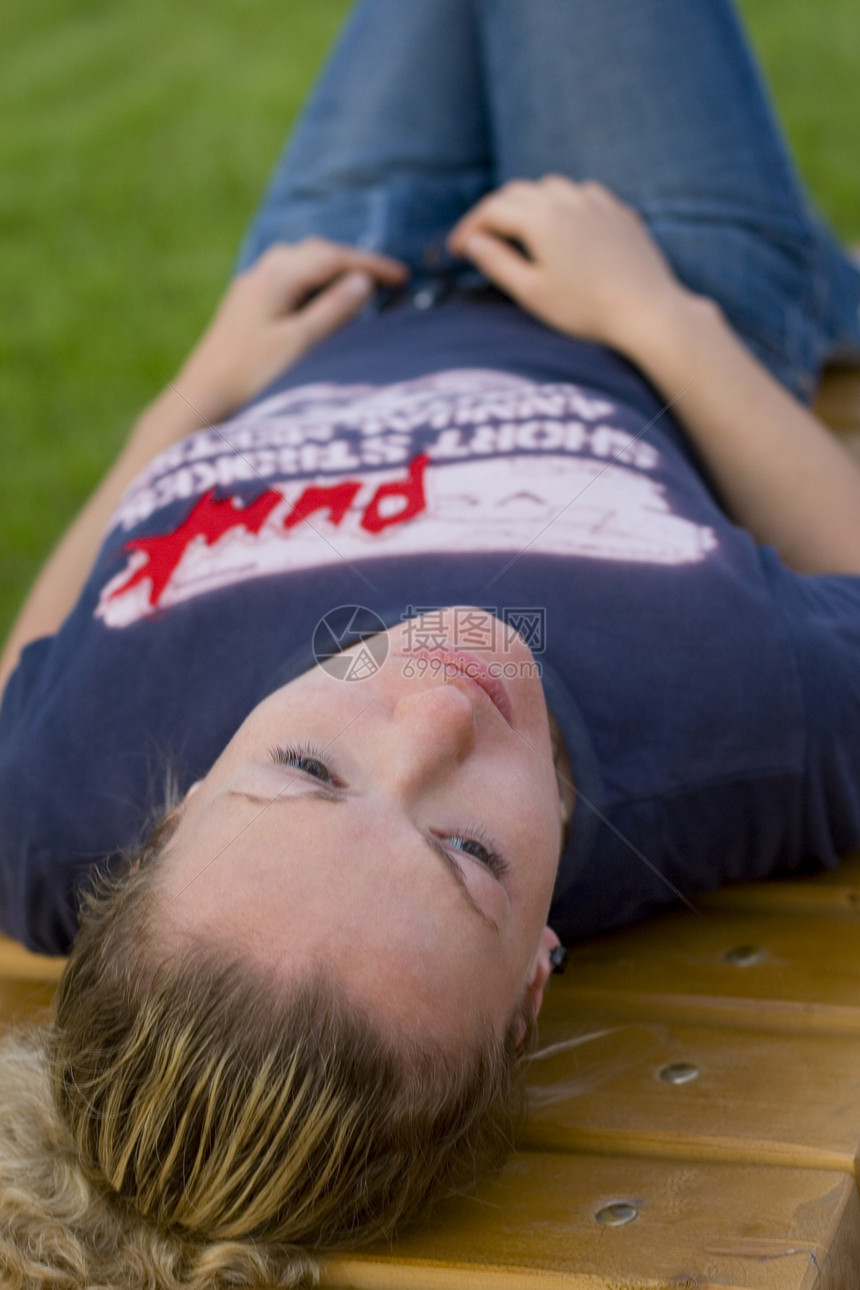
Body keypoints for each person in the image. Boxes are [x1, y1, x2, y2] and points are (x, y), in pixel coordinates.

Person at [2, 0, 860, 1284]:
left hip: (335, 284)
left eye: (308, 771)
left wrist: (201, 382)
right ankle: (803, 279)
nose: (434, 714)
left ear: (164, 827)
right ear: (530, 986)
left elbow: (34, 659)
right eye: (465, 854)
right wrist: (658, 317)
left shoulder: (52, 811)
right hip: (647, 277)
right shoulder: (743, 726)